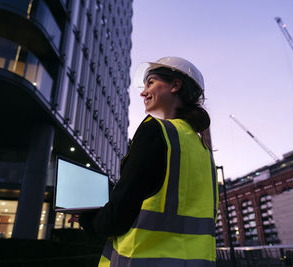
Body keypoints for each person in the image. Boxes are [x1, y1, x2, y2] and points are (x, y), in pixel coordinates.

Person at [74, 56, 219, 266]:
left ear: (175, 85)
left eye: (150, 82)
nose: (143, 92)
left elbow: (118, 216)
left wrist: (87, 219)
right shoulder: (202, 150)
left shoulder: (156, 131)